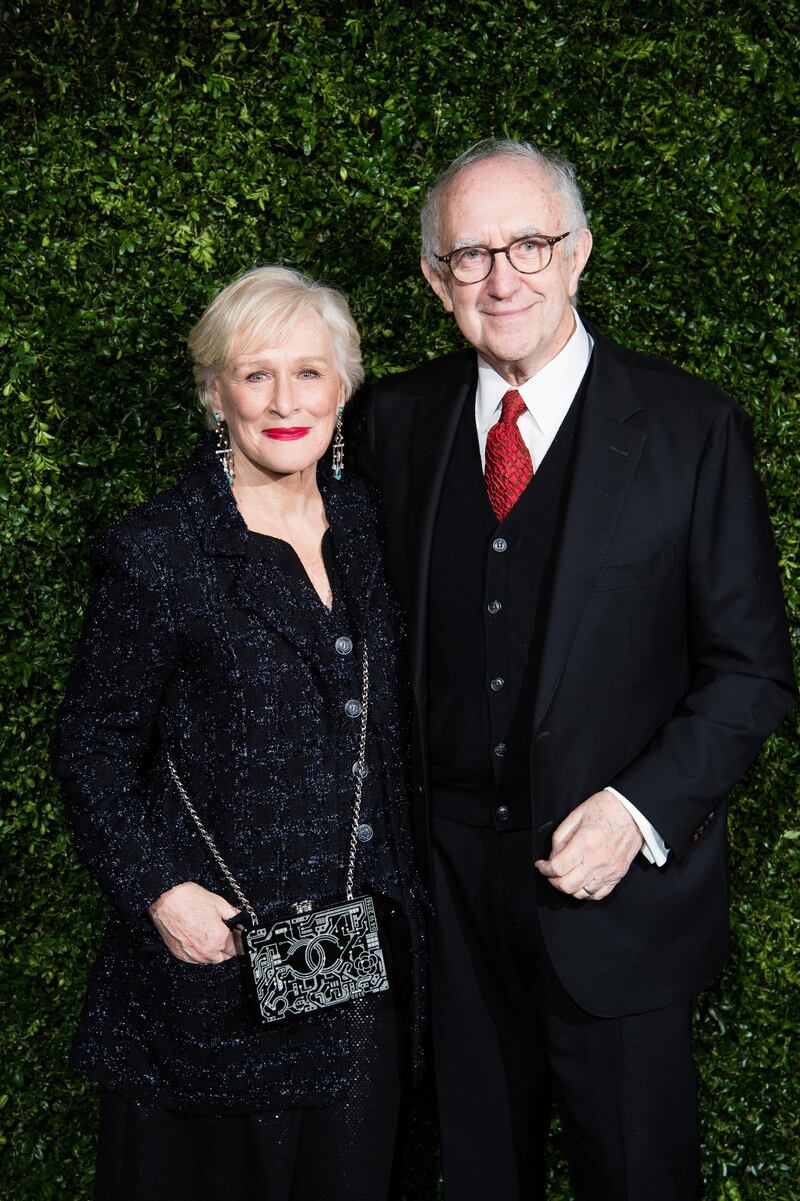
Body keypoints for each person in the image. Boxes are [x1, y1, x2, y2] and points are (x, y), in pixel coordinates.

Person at [361, 138, 795, 1201]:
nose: (501, 277)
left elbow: (749, 673)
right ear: (434, 279)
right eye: (469, 255)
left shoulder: (690, 428)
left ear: (579, 253)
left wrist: (636, 813)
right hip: (445, 899)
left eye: (529, 244)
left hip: (618, 903)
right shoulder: (389, 423)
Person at [52, 265, 424, 1201]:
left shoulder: (369, 524)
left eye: (310, 372)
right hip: (216, 967)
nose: (285, 401)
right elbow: (90, 746)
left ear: (345, 386)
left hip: (358, 966)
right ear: (215, 393)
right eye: (255, 374)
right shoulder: (160, 549)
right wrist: (161, 893)